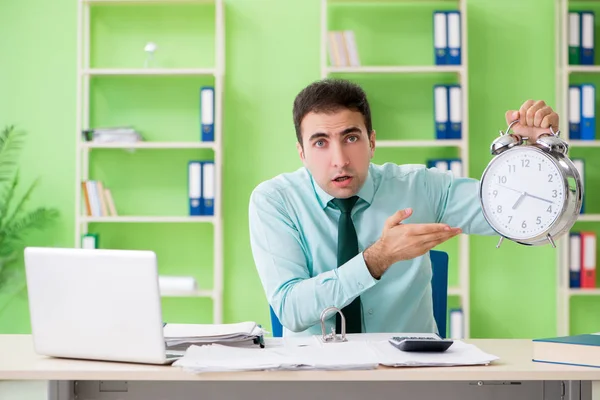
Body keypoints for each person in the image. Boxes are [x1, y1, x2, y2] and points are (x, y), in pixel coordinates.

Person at [248, 78, 559, 338]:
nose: (339, 159)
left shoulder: (419, 186)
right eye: (320, 143)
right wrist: (376, 259)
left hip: (411, 377)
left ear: (372, 142)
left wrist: (534, 157)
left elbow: (527, 221)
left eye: (351, 137)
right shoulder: (275, 201)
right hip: (314, 379)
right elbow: (290, 309)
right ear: (301, 153)